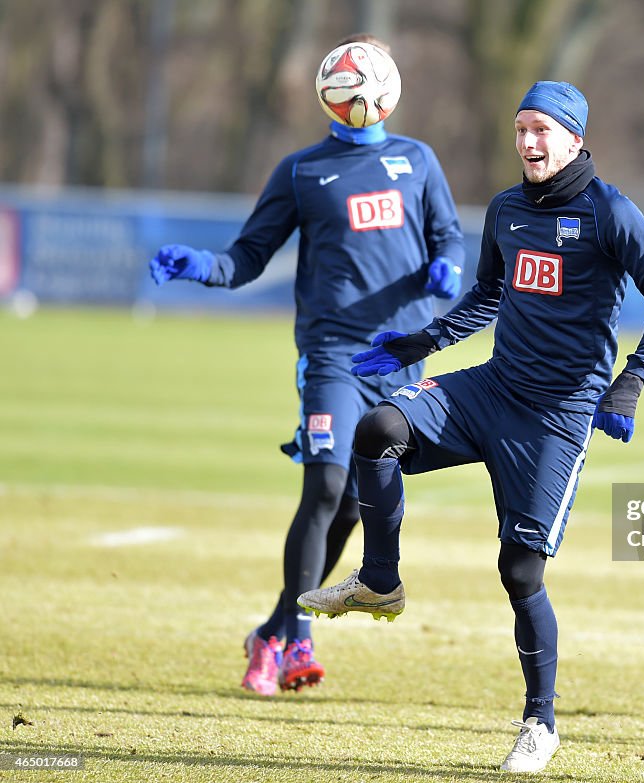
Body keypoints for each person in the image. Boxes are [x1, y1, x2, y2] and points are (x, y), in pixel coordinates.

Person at [296, 80, 644, 772]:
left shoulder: (610, 213)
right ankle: (380, 579)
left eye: (544, 131)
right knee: (378, 427)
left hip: (558, 416)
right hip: (491, 387)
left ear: (573, 138)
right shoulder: (508, 209)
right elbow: (488, 294)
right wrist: (421, 343)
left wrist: (630, 382)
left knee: (519, 569)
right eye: (521, 130)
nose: (530, 144)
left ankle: (541, 723)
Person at [147, 34, 464, 696]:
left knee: (354, 503)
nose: (359, 95)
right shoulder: (302, 171)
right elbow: (248, 257)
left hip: (398, 360)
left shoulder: (419, 161)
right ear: (332, 94)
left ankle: (271, 629)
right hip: (333, 356)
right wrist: (201, 266)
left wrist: (446, 268)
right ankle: (298, 641)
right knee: (323, 487)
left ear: (385, 92)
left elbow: (449, 237)